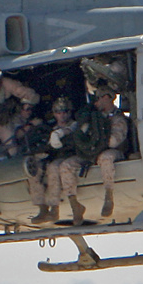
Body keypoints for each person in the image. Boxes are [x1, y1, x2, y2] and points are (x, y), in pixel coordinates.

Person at [49, 88, 128, 225]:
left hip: (110, 151)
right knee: (66, 165)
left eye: (98, 99)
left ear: (107, 97)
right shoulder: (92, 116)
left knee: (106, 158)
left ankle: (108, 197)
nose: (96, 103)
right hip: (91, 152)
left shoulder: (117, 118)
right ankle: (75, 206)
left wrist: (99, 130)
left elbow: (113, 142)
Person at [25, 96, 76, 224]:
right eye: (59, 112)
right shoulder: (50, 128)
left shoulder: (74, 125)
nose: (62, 115)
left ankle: (54, 208)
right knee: (34, 170)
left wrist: (59, 135)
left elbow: (70, 131)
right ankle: (42, 208)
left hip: (67, 157)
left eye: (65, 112)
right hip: (51, 156)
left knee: (54, 168)